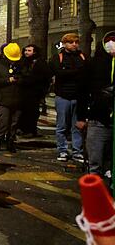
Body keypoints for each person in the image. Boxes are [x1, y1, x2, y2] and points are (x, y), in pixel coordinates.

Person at [75, 31, 115, 185]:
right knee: (95, 161)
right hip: (98, 119)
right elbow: (82, 91)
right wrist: (81, 117)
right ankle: (94, 201)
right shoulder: (93, 64)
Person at [48, 33, 88, 163]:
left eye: (76, 42)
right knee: (62, 126)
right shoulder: (58, 57)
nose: (74, 45)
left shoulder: (82, 57)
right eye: (71, 42)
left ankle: (77, 151)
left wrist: (69, 73)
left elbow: (85, 73)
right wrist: (77, 72)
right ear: (64, 43)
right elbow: (59, 72)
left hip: (78, 96)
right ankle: (63, 150)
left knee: (77, 126)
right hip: (63, 96)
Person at [0, 43, 23, 153]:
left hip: (18, 98)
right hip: (4, 98)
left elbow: (28, 78)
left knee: (14, 123)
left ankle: (11, 141)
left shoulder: (20, 65)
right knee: (3, 122)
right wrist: (8, 80)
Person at [18, 44, 51, 137]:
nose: (26, 52)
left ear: (34, 52)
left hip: (35, 92)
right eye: (26, 50)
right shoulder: (23, 61)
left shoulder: (40, 63)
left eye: (29, 51)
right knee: (23, 111)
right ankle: (23, 128)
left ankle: (30, 130)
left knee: (32, 112)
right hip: (24, 91)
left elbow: (44, 77)